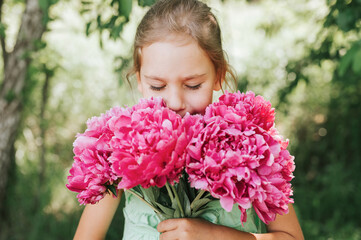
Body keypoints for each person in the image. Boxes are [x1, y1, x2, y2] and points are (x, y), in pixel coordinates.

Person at [73, 0, 304, 239]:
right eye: (157, 86)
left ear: (219, 75)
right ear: (139, 81)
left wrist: (215, 236)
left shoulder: (249, 147)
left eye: (193, 85)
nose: (174, 102)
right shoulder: (122, 150)